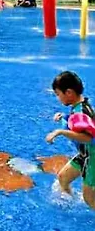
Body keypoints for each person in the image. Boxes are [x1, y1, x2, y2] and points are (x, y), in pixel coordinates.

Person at [46, 71, 95, 209]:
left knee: (90, 199)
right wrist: (64, 118)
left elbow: (88, 138)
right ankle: (70, 205)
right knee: (63, 178)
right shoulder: (80, 106)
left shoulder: (81, 112)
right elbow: (78, 124)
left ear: (68, 92)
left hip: (92, 157)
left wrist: (60, 132)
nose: (58, 98)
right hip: (85, 154)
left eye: (58, 94)